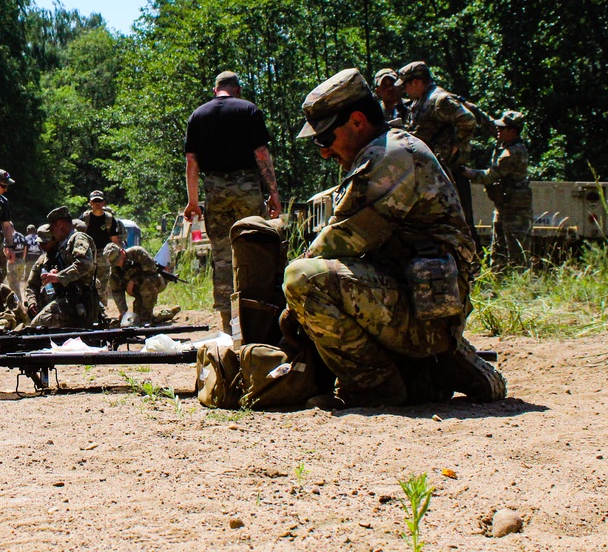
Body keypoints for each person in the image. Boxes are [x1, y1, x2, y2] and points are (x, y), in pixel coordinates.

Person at [286, 68, 505, 410]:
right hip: (418, 301)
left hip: (426, 314)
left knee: (303, 280)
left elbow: (336, 242)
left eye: (325, 139)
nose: (324, 153)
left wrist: (282, 300)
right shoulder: (392, 148)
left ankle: (378, 386)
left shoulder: (387, 157)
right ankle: (431, 370)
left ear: (357, 121)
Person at [183, 70, 282, 333]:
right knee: (254, 249)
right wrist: (273, 194)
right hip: (247, 186)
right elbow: (261, 154)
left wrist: (193, 202)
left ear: (215, 90)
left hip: (215, 189)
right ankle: (258, 316)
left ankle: (229, 325)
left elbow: (192, 162)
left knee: (222, 257)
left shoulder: (198, 116)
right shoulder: (249, 110)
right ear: (236, 89)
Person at [395, 61, 479, 244]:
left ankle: (472, 264)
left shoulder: (438, 100)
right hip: (434, 172)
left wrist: (456, 147)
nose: (405, 91)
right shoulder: (420, 101)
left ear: (417, 82)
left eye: (406, 85)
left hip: (449, 172)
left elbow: (468, 120)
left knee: (460, 222)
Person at [463, 111, 531, 267]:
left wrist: (464, 171)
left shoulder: (512, 153)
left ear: (512, 132)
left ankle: (518, 285)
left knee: (517, 253)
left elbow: (488, 176)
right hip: (504, 207)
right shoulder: (507, 143)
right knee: (498, 250)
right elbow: (488, 121)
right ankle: (498, 281)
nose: (498, 131)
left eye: (502, 128)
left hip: (515, 210)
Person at [30, 207, 98, 328]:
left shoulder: (78, 238)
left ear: (60, 224)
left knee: (39, 324)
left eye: (53, 228)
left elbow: (85, 263)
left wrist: (58, 277)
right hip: (70, 299)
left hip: (80, 300)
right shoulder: (64, 244)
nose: (53, 233)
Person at [102, 242, 170, 326]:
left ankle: (147, 320)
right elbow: (116, 291)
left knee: (148, 282)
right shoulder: (114, 270)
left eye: (118, 260)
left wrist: (133, 280)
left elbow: (151, 271)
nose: (117, 264)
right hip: (138, 292)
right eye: (114, 262)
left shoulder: (137, 253)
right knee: (137, 319)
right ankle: (165, 314)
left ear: (122, 252)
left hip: (155, 283)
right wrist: (123, 311)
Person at [79, 190, 123, 306]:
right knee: (86, 282)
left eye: (99, 201)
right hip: (88, 254)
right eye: (95, 201)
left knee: (103, 284)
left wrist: (117, 257)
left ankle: (101, 309)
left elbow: (114, 240)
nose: (97, 203)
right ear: (90, 203)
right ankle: (88, 307)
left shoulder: (109, 219)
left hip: (104, 255)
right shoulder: (84, 218)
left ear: (104, 202)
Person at [24, 224, 59, 320]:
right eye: (40, 243)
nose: (42, 246)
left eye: (45, 243)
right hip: (46, 307)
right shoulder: (41, 261)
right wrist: (32, 301)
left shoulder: (66, 256)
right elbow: (31, 285)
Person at [7, 224, 26, 300]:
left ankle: (18, 301)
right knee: (18, 283)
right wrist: (23, 259)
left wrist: (9, 258)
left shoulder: (9, 237)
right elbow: (25, 247)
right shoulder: (21, 236)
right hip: (21, 261)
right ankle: (22, 298)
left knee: (13, 284)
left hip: (13, 262)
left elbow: (7, 250)